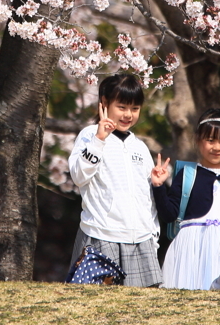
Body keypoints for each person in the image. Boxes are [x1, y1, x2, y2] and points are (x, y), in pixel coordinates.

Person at [67, 73, 162, 287]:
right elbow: (79, 176)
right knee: (96, 311)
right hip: (102, 234)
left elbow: (148, 199)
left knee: (142, 313)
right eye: (122, 107)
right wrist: (99, 140)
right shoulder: (90, 135)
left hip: (141, 240)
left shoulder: (140, 146)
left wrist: (153, 235)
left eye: (135, 109)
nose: (128, 115)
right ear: (104, 104)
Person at [152, 109, 220, 289]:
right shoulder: (186, 174)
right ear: (198, 140)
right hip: (190, 248)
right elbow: (169, 214)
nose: (217, 147)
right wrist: (159, 187)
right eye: (211, 140)